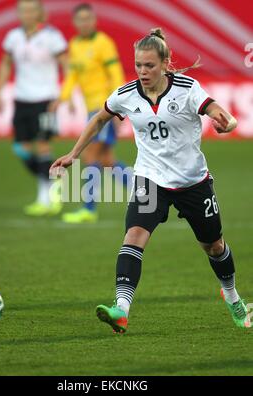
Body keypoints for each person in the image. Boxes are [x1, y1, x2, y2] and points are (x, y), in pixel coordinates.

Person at [50, 27, 251, 333]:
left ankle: (232, 295)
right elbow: (99, 117)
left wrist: (230, 122)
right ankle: (121, 309)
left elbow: (215, 110)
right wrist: (74, 153)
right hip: (150, 179)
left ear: (166, 63)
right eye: (139, 65)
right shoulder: (127, 95)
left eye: (150, 65)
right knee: (134, 236)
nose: (143, 72)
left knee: (213, 246)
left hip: (193, 182)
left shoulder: (187, 87)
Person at [52, 3, 132, 224]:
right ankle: (146, 192)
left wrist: (118, 107)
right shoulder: (75, 45)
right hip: (92, 109)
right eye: (80, 19)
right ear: (75, 23)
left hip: (104, 108)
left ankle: (88, 209)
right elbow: (73, 76)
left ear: (94, 20)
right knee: (107, 161)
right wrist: (63, 98)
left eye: (88, 18)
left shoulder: (103, 43)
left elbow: (115, 74)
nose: (85, 22)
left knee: (90, 156)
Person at [0, 0, 68, 216]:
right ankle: (54, 182)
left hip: (45, 99)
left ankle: (45, 198)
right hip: (22, 99)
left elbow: (67, 65)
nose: (26, 14)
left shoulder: (52, 36)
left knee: (44, 145)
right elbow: (5, 63)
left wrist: (65, 94)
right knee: (20, 147)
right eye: (23, 10)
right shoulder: (13, 37)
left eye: (31, 10)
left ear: (39, 13)